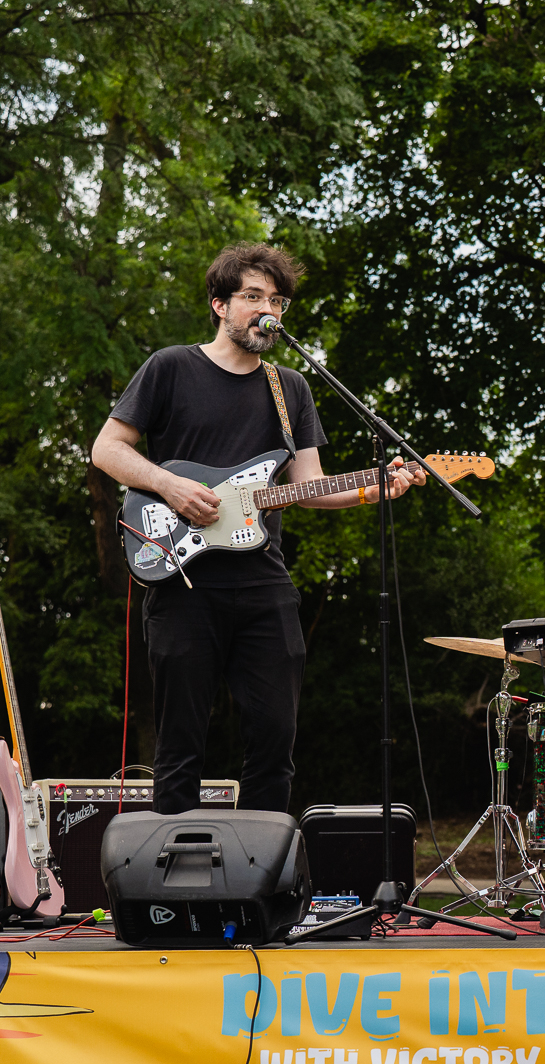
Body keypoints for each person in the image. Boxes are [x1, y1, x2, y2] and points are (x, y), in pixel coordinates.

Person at [90, 242, 424, 815]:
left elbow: (309, 485)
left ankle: (261, 865)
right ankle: (173, 867)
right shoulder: (171, 367)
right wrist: (170, 486)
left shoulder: (290, 387)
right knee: (180, 745)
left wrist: (376, 487)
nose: (267, 309)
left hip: (262, 582)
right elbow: (107, 449)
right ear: (220, 304)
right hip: (182, 579)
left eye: (276, 300)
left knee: (275, 740)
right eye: (252, 296)